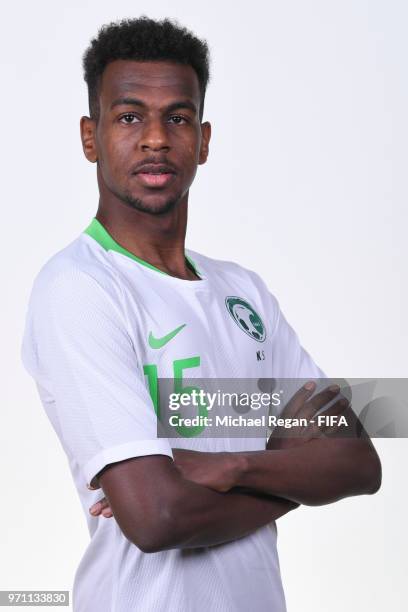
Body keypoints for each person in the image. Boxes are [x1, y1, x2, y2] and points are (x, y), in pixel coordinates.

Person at [21, 17, 382, 612]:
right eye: (130, 116)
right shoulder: (80, 288)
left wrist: (231, 464)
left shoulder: (244, 292)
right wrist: (294, 477)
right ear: (91, 137)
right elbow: (158, 517)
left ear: (204, 141)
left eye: (178, 117)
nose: (156, 138)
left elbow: (356, 460)